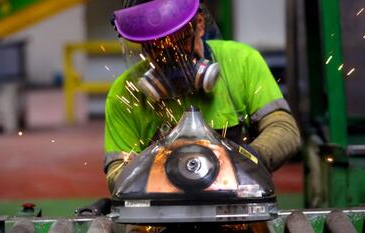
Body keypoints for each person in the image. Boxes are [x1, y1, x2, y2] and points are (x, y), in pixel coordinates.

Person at [104, 0, 301, 195]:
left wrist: (244, 161)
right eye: (156, 48)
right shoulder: (126, 93)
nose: (171, 60)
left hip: (236, 202)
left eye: (178, 44)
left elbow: (284, 130)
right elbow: (118, 172)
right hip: (163, 208)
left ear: (199, 25)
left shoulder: (241, 62)